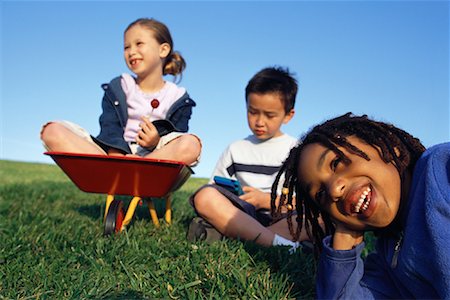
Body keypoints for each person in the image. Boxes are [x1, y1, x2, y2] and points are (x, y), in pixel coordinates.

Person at [271, 112, 450, 298]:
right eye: (321, 195)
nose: (334, 191)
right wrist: (344, 238)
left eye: (336, 162)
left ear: (385, 145)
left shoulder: (441, 167)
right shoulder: (388, 263)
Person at [40, 18, 201, 165]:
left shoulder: (178, 97)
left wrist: (155, 142)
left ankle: (138, 168)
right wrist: (117, 153)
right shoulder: (119, 87)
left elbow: (177, 136)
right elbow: (109, 126)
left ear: (163, 50)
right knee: (52, 131)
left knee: (190, 144)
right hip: (113, 154)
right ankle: (115, 169)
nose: (131, 51)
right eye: (126, 47)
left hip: (155, 158)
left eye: (139, 44)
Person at [188, 66, 309, 250]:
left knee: (320, 217)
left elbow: (305, 201)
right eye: (253, 112)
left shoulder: (298, 151)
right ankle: (280, 244)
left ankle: (248, 236)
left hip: (284, 217)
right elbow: (216, 189)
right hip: (244, 215)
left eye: (270, 115)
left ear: (288, 115)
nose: (259, 122)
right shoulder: (236, 149)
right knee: (204, 196)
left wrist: (266, 200)